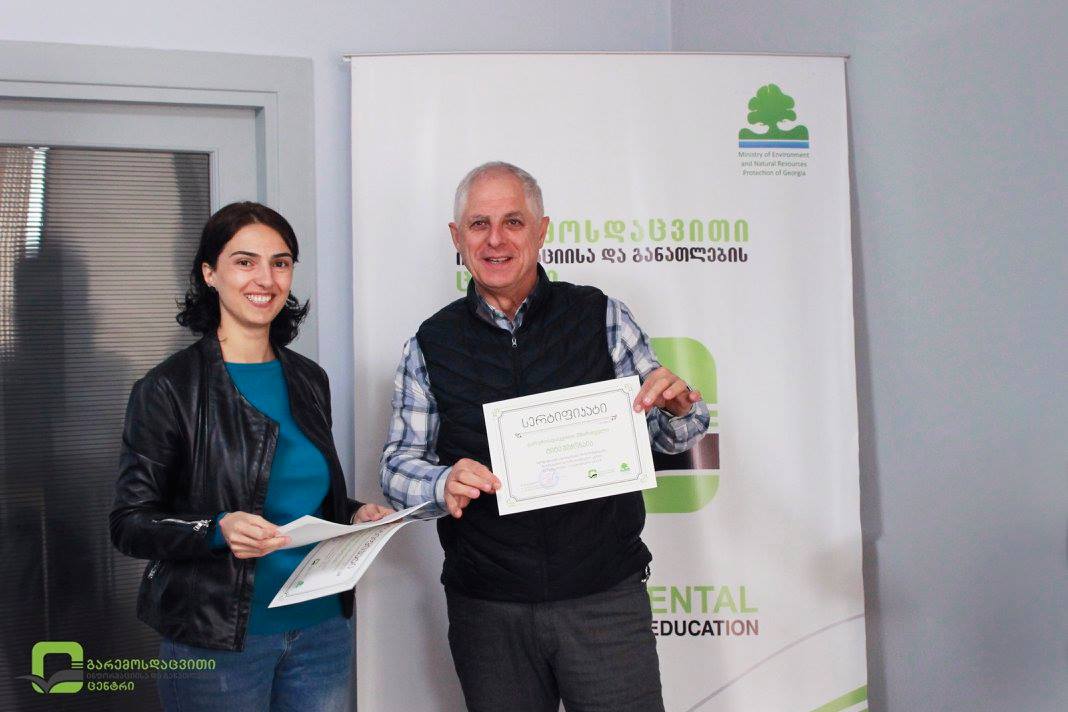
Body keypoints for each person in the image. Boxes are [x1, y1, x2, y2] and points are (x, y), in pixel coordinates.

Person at [380, 162, 710, 711]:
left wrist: (677, 409)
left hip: (604, 599)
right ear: (457, 238)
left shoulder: (602, 316)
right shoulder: (430, 343)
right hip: (488, 611)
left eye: (513, 222)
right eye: (479, 224)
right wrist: (442, 483)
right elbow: (396, 467)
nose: (496, 239)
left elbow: (673, 434)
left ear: (541, 230)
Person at [110, 201, 391, 711]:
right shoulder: (168, 388)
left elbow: (291, 492)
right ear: (209, 273)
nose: (265, 279)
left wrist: (351, 514)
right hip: (218, 639)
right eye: (245, 262)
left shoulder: (309, 378)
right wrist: (216, 528)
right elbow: (130, 522)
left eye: (280, 263)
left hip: (322, 629)